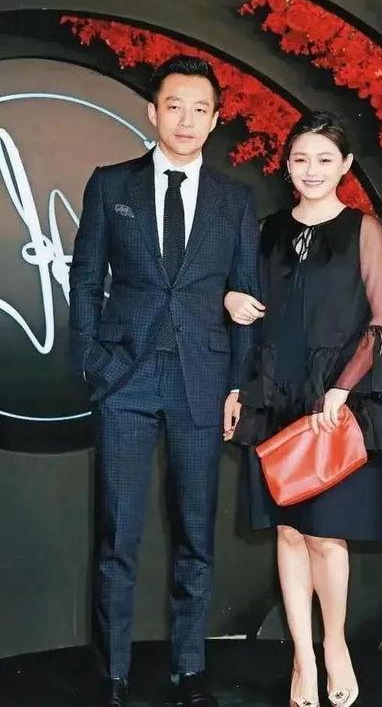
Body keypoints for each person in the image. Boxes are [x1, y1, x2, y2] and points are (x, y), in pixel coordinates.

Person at [69, 55, 260, 707]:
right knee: (116, 535)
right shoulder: (111, 185)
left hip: (200, 380)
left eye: (199, 109)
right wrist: (93, 362)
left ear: (215, 119)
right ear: (153, 112)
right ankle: (113, 675)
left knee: (195, 535)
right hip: (124, 378)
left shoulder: (235, 200)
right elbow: (84, 279)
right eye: (174, 106)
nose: (186, 119)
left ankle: (190, 669)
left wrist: (236, 386)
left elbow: (246, 297)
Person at [224, 111, 382, 707]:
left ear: (346, 166)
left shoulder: (364, 229)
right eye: (301, 159)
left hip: (336, 402)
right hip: (275, 393)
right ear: (286, 165)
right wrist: (236, 369)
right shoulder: (267, 230)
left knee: (328, 537)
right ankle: (302, 661)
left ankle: (335, 647)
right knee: (288, 532)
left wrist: (341, 388)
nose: (311, 171)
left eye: (324, 160)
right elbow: (245, 313)